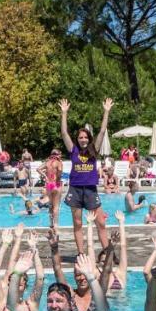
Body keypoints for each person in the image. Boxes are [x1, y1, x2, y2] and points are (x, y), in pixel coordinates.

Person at [59, 97, 113, 254]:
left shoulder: (94, 150)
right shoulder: (73, 150)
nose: (83, 140)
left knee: (101, 223)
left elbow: (102, 131)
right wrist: (64, 113)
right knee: (77, 223)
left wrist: (106, 111)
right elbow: (64, 132)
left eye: (85, 137)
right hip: (75, 190)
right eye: (80, 137)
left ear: (89, 139)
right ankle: (81, 254)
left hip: (90, 190)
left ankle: (108, 253)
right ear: (77, 139)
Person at [42, 148, 63, 227]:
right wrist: (58, 178)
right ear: (56, 155)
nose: (61, 156)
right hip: (56, 184)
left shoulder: (47, 162)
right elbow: (60, 171)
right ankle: (56, 224)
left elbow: (38, 169)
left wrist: (45, 177)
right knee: (56, 206)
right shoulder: (59, 162)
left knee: (50, 205)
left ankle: (51, 223)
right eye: (60, 154)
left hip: (49, 185)